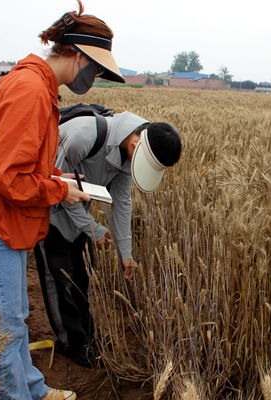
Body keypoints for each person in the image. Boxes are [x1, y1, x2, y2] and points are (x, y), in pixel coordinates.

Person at [0, 1, 125, 399]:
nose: (93, 80)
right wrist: (59, 189)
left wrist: (56, 178)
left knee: (16, 321)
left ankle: (36, 392)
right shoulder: (30, 91)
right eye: (94, 69)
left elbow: (17, 165)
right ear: (75, 54)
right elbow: (2, 174)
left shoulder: (37, 85)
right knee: (5, 333)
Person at [33, 112, 182, 368]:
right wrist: (94, 229)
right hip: (48, 217)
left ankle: (88, 336)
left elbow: (121, 205)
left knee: (81, 277)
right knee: (58, 282)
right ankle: (72, 343)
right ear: (136, 145)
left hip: (79, 218)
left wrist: (126, 254)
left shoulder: (127, 156)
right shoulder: (83, 138)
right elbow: (57, 188)